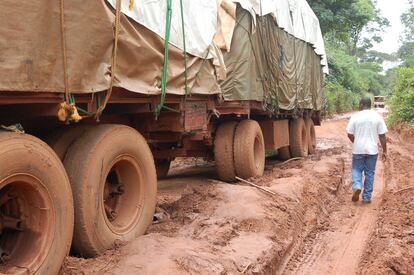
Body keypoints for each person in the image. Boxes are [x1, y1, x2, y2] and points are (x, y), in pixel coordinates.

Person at [346, 97, 388, 203]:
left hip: (358, 149)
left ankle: (357, 186)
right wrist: (385, 151)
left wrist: (355, 142)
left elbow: (349, 133)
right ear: (370, 105)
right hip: (372, 150)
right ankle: (366, 197)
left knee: (356, 170)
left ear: (361, 104)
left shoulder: (355, 117)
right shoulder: (377, 117)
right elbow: (382, 135)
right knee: (370, 173)